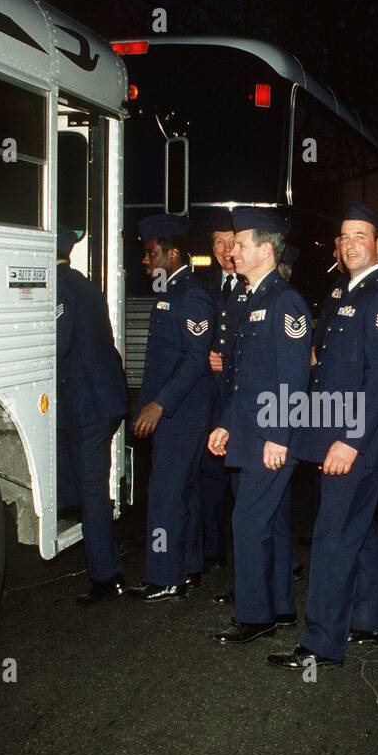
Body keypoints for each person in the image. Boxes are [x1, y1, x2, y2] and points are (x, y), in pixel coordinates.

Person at [269, 203, 378, 669]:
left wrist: (350, 439)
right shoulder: (341, 290)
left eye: (361, 236)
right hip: (334, 428)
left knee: (332, 536)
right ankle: (373, 620)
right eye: (345, 237)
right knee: (359, 529)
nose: (351, 244)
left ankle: (321, 644)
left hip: (358, 439)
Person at [207, 209, 311, 644]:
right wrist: (226, 423)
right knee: (270, 523)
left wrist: (279, 437)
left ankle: (254, 616)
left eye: (242, 243)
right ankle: (281, 606)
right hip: (250, 429)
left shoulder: (285, 302)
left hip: (270, 434)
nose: (233, 250)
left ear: (266, 250)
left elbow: (293, 377)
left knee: (247, 522)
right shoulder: (253, 298)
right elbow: (244, 376)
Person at [125, 214, 217, 602]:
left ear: (173, 253)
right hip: (180, 413)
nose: (145, 261)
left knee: (164, 494)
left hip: (182, 414)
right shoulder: (170, 292)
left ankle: (164, 576)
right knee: (185, 492)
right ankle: (189, 567)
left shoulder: (190, 295)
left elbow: (196, 359)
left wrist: (158, 406)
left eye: (150, 253)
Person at [55, 226, 130, 606]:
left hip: (88, 405)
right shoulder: (84, 284)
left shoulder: (55, 287)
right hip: (103, 397)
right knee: (85, 483)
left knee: (92, 490)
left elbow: (58, 342)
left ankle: (107, 575)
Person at [200, 213, 240, 573]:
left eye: (232, 242)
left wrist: (227, 360)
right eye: (218, 243)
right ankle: (213, 551)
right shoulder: (204, 287)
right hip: (210, 396)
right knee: (211, 476)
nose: (226, 251)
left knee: (243, 480)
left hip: (242, 396)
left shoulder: (254, 286)